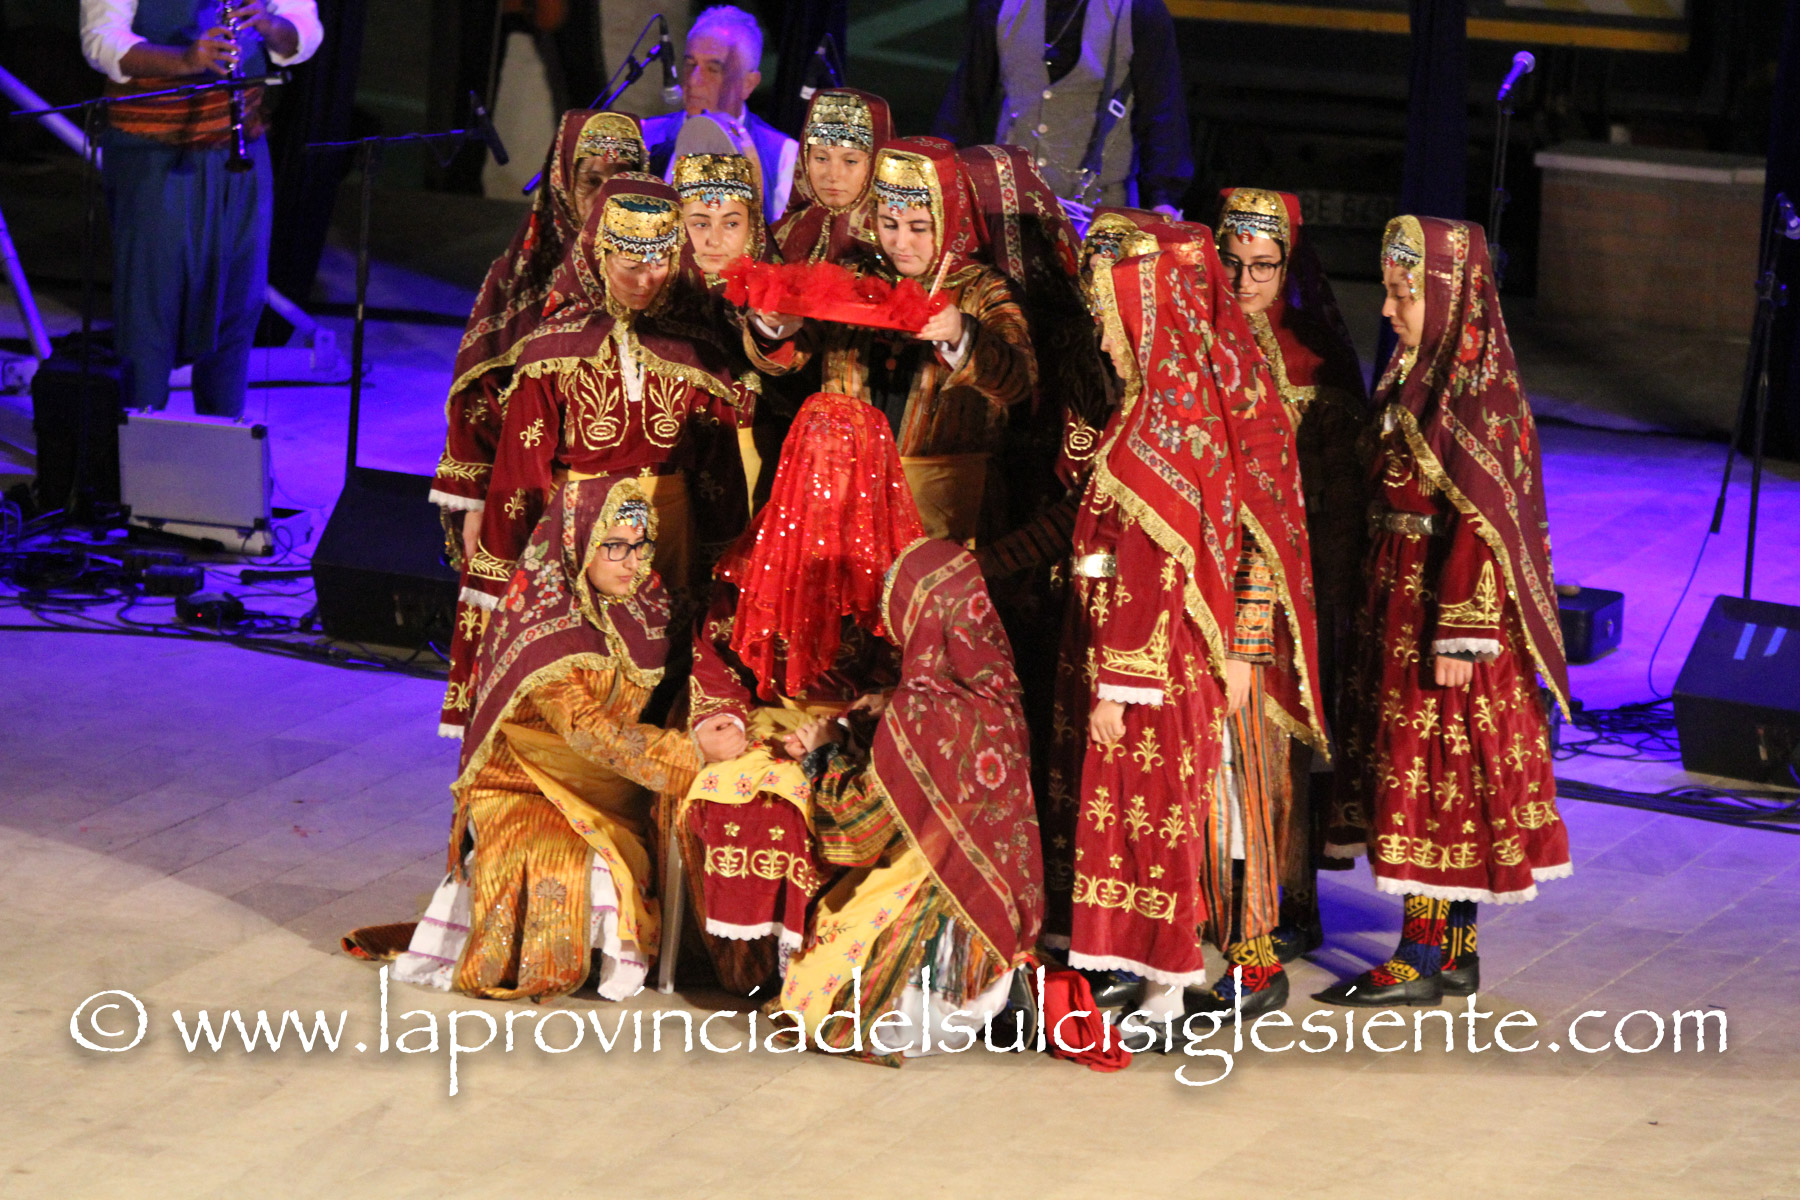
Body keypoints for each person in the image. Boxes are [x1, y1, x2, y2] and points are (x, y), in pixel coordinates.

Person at [1047, 245, 1325, 1030]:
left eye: (1114, 321)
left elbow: (1256, 538)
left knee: (1221, 809)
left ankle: (1240, 963)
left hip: (1209, 647)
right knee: (1172, 813)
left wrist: (1242, 647)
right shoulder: (1153, 405)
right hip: (1154, 638)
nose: (1105, 338)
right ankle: (1138, 963)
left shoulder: (1212, 406)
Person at [1315, 216, 1571, 1008]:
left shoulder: (1480, 395)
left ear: (1449, 296)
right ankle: (1453, 955)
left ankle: (1424, 955)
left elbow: (1487, 525)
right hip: (1398, 595)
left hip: (1443, 614)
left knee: (1435, 774)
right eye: (1388, 291)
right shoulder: (1416, 370)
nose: (1388, 309)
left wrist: (1462, 629)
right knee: (1417, 769)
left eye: (1403, 294)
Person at [344, 478, 701, 1002]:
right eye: (614, 546)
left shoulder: (647, 602)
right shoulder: (540, 625)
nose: (632, 561)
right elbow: (589, 730)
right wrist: (693, 755)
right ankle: (532, 961)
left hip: (613, 784)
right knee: (564, 860)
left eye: (639, 544)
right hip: (526, 781)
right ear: (578, 543)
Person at [1179, 188, 1372, 1014]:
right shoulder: (1196, 341)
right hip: (1211, 578)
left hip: (1288, 587)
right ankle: (1226, 906)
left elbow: (1338, 497)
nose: (1244, 281)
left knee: (1274, 751)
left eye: (1263, 267)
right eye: (1231, 263)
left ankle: (1286, 907)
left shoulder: (1310, 364)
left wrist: (1309, 595)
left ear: (1289, 269)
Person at [673, 393, 918, 992]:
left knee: (802, 805)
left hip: (861, 740)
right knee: (736, 797)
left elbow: (918, 677)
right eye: (815, 463)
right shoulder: (759, 556)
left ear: (872, 472)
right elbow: (716, 651)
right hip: (768, 726)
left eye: (843, 466)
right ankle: (748, 967)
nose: (827, 481)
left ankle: (811, 970)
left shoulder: (903, 567)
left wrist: (849, 729)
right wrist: (718, 717)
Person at [779, 536, 1044, 1064]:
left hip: (923, 1004)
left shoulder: (921, 713)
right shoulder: (1000, 693)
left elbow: (858, 829)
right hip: (997, 946)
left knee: (812, 1002)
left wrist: (825, 753)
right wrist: (888, 709)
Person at [433, 110, 649, 737]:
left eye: (621, 179)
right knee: (522, 649)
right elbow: (476, 393)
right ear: (561, 184)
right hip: (524, 494)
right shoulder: (521, 275)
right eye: (591, 181)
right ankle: (509, 783)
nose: (604, 196)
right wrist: (475, 501)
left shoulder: (657, 271)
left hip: (627, 506)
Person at [458, 174, 749, 642]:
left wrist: (727, 569)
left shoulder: (697, 353)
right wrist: (507, 567)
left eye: (659, 263)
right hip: (579, 535)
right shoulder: (553, 352)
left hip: (670, 535)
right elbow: (522, 471)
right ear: (600, 254)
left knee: (667, 653)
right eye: (630, 264)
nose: (644, 280)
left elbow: (721, 475)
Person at [747, 137, 1036, 545]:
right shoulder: (854, 277)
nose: (901, 243)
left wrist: (961, 334)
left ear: (948, 218)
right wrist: (776, 325)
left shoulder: (983, 291)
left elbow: (1019, 383)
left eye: (918, 228)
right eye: (889, 224)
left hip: (941, 505)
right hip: (844, 495)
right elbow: (791, 358)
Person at [80, 0, 324, 417]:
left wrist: (268, 24)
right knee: (151, 308)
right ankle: (142, 440)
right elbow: (100, 40)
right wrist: (187, 60)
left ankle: (224, 438)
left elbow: (304, 30)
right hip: (154, 151)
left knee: (238, 300)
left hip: (239, 149)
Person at [932, 0, 1192, 217]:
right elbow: (964, 101)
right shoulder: (1000, 5)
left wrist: (1163, 198)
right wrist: (937, 178)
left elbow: (1163, 112)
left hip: (1100, 216)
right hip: (1010, 208)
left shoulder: (1138, 9)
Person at [641, 5, 797, 226]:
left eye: (713, 70)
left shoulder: (782, 156)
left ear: (748, 84)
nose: (694, 80)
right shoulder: (647, 136)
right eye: (690, 65)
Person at [770, 88, 893, 266]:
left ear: (876, 163)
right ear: (804, 160)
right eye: (821, 158)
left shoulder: (896, 247)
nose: (833, 175)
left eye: (850, 161)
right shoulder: (779, 236)